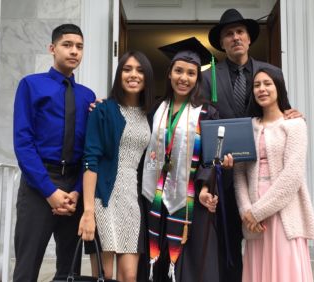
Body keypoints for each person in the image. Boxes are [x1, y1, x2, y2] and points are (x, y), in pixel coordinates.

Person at [201, 8, 301, 281]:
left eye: (240, 32)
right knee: (227, 247)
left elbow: (281, 110)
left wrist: (293, 113)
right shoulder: (208, 77)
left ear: (249, 38)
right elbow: (202, 124)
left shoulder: (270, 74)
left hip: (265, 179)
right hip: (225, 174)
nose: (235, 37)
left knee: (268, 250)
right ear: (221, 42)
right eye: (228, 34)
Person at [13, 24, 96, 281]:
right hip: (40, 185)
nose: (74, 51)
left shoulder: (87, 96)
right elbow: (23, 143)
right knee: (27, 267)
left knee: (69, 270)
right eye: (67, 45)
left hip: (73, 187)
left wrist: (77, 191)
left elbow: (88, 150)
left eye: (79, 47)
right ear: (52, 48)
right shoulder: (31, 85)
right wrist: (50, 192)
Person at [142, 37, 220, 282]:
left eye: (191, 73)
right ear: (169, 73)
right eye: (178, 71)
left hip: (189, 199)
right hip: (154, 196)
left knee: (189, 262)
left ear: (198, 78)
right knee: (157, 255)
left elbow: (211, 157)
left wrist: (206, 187)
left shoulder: (207, 112)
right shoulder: (156, 109)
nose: (183, 78)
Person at [233, 67, 314, 281]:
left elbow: (293, 176)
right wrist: (246, 211)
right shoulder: (247, 127)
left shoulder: (295, 124)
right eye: (257, 85)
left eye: (267, 83)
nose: (262, 89)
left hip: (283, 214)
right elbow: (239, 173)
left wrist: (258, 212)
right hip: (253, 218)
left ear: (279, 86)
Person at [78, 50, 155, 282]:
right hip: (104, 198)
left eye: (140, 70)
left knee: (130, 276)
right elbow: (90, 160)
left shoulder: (150, 114)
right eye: (127, 69)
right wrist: (88, 211)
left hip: (133, 200)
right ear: (119, 75)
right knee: (105, 275)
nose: (133, 75)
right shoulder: (103, 110)